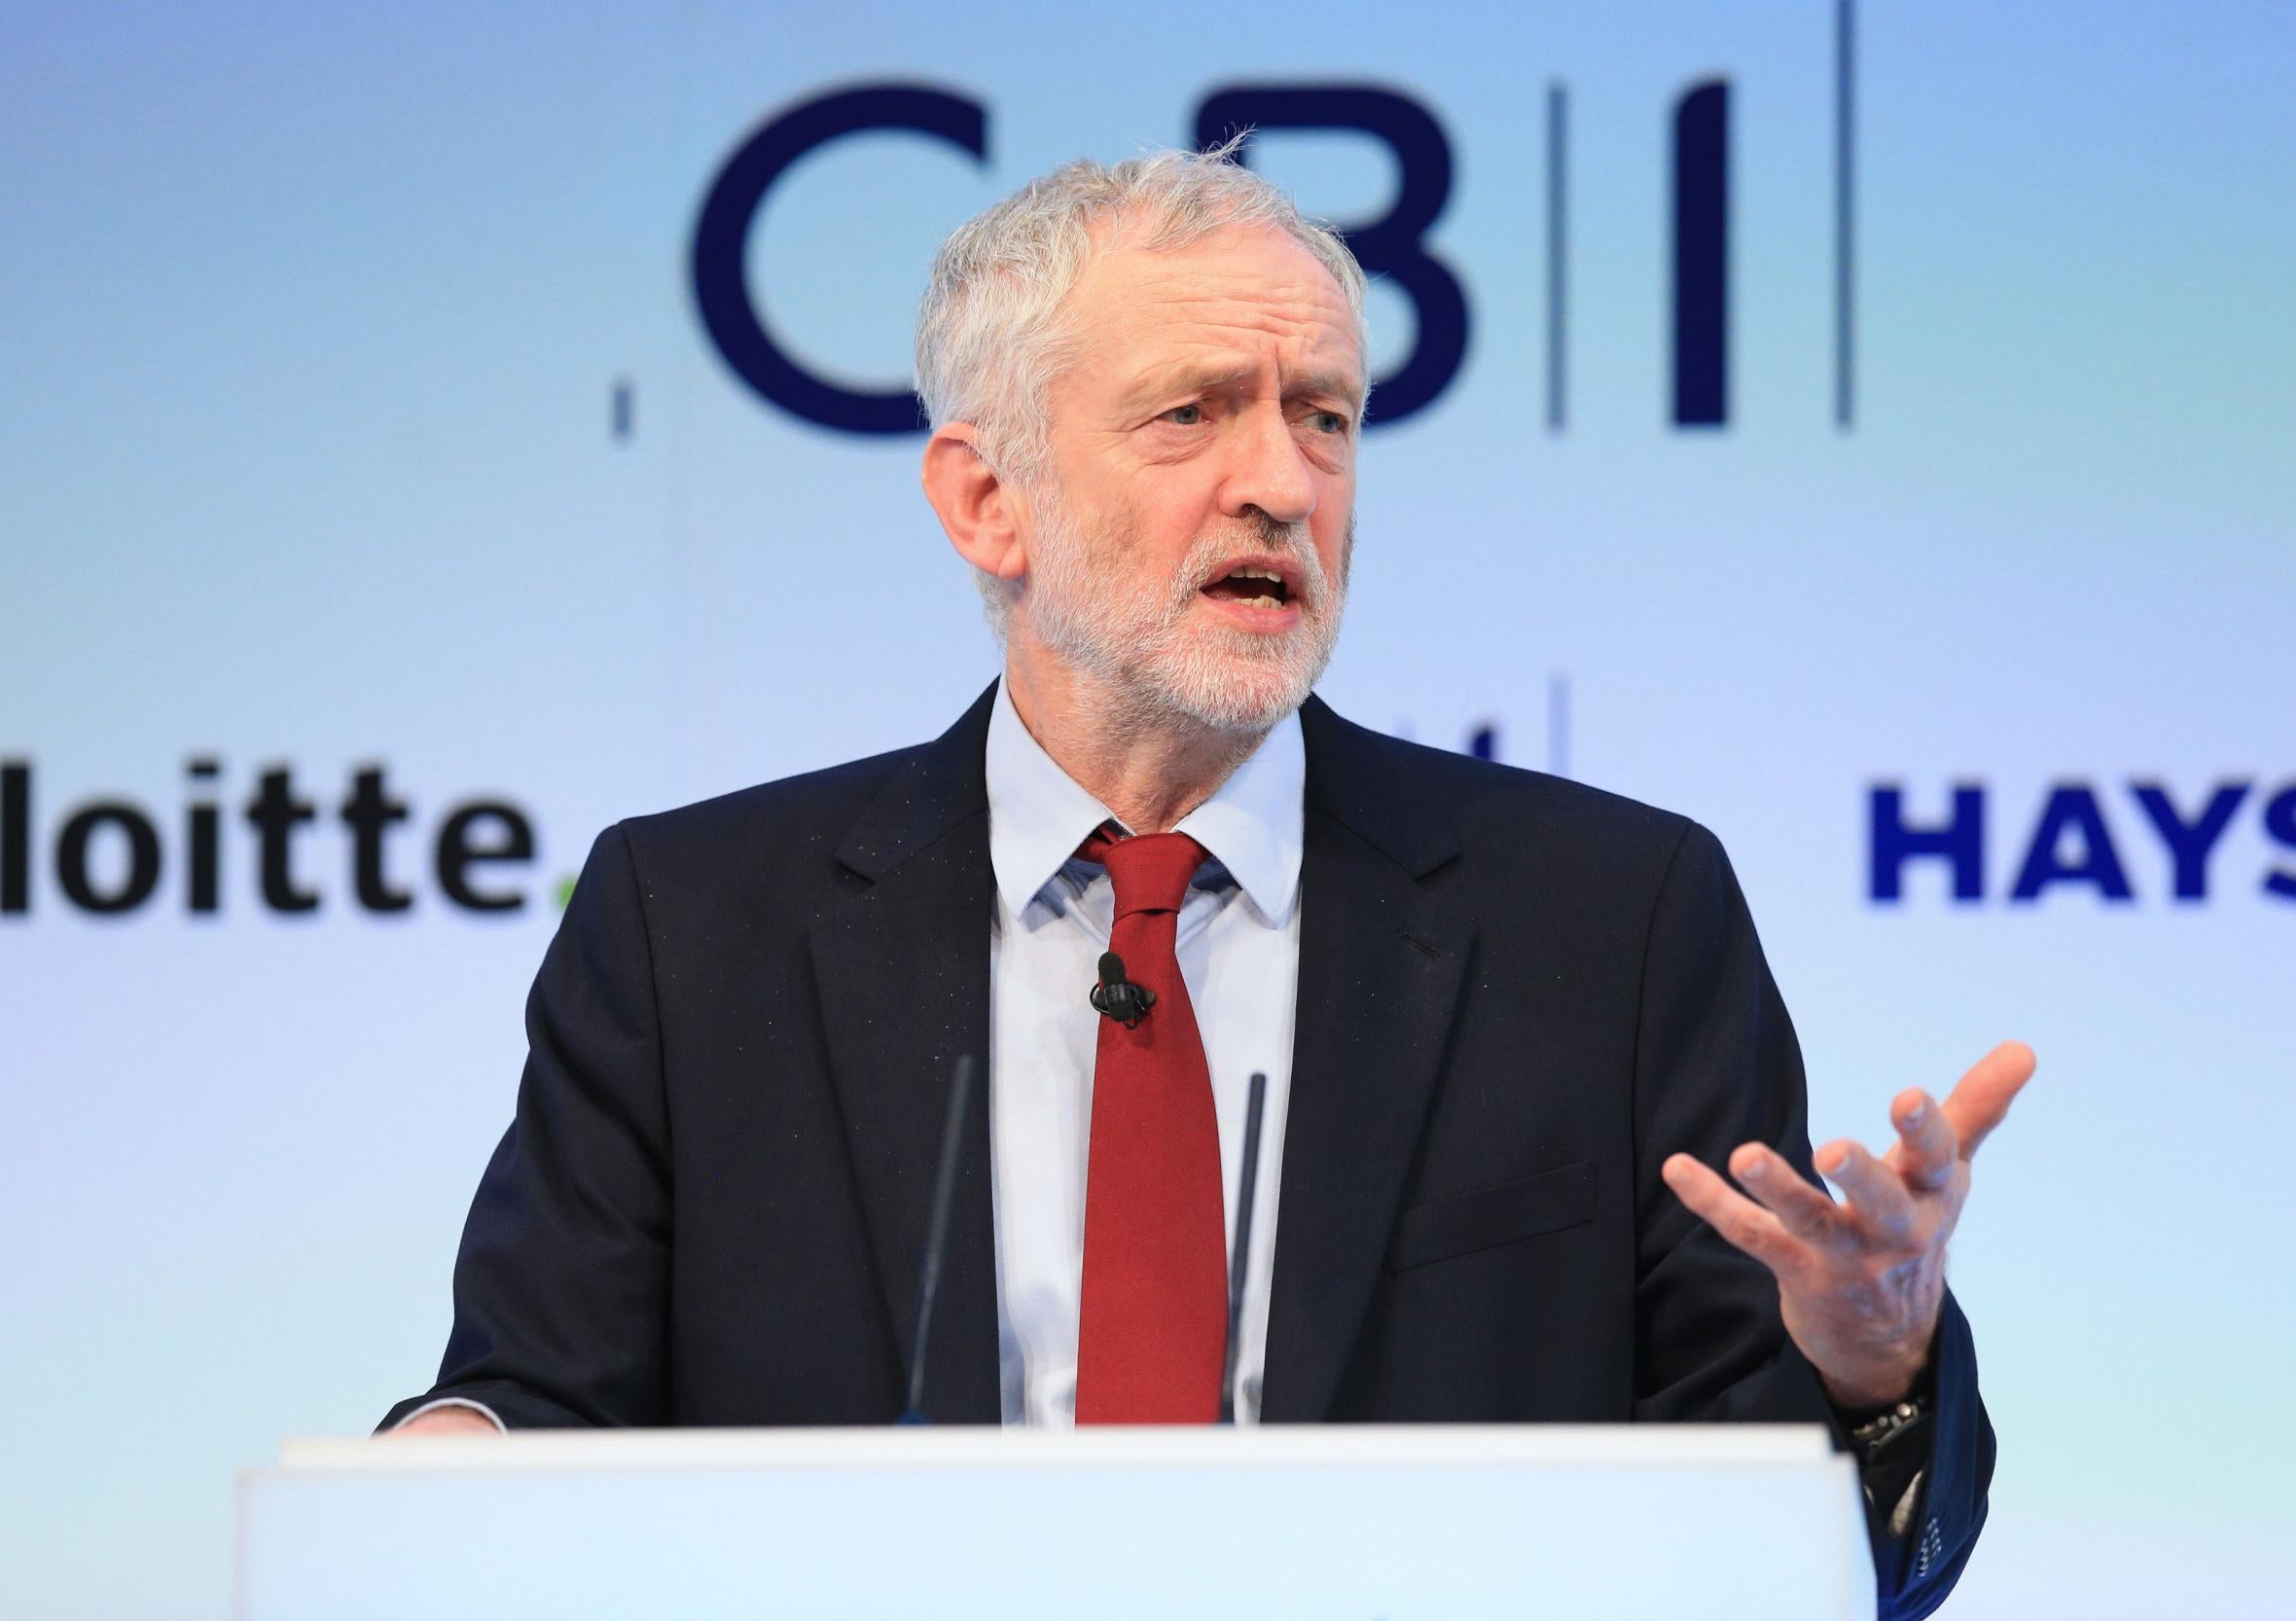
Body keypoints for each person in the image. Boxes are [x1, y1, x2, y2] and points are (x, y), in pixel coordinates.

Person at [379, 144, 2030, 1619]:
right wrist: (443, 1466)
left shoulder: (1611, 920)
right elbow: (539, 1407)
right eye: (1192, 413)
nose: (1282, 483)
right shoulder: (696, 928)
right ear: (984, 498)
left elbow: (1776, 1550)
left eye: (1324, 415)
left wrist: (1873, 1361)